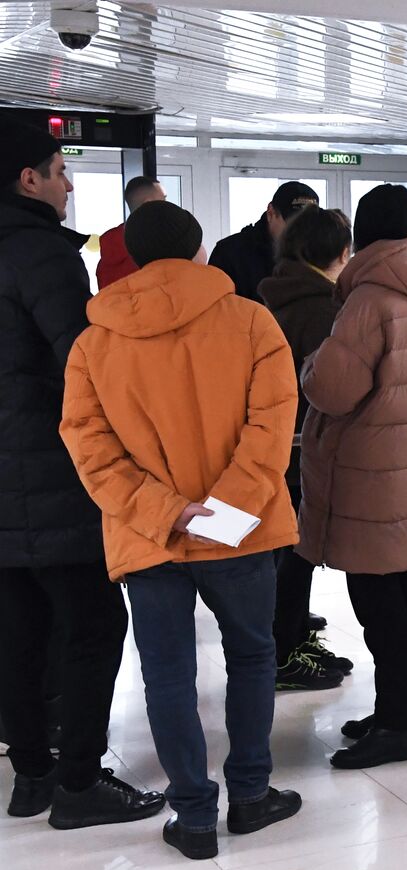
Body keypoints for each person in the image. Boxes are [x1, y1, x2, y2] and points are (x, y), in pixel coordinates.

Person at [60, 199, 304, 861]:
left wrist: (167, 511)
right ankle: (250, 797)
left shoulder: (93, 344)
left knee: (167, 677)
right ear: (199, 250)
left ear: (131, 258)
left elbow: (90, 448)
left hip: (149, 537)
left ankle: (195, 819)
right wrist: (223, 508)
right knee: (253, 657)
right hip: (241, 531)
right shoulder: (252, 323)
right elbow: (274, 425)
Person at [0, 118, 163, 829]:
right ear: (27, 180)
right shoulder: (40, 253)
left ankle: (31, 774)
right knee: (96, 621)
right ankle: (77, 784)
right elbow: (82, 363)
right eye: (60, 169)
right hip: (49, 473)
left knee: (19, 627)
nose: (68, 183)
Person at [296, 184, 407, 769]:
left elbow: (334, 387)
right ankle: (404, 711)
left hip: (368, 465)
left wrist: (311, 363)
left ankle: (392, 724)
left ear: (363, 232)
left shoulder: (369, 297)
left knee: (375, 596)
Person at [259, 206, 355, 691]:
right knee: (295, 556)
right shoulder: (321, 309)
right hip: (302, 448)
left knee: (288, 553)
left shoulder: (276, 295)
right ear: (340, 253)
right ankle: (282, 654)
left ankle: (291, 641)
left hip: (275, 446)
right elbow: (329, 387)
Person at [209, 181, 320, 303]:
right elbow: (217, 309)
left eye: (308, 224)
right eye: (292, 223)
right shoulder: (230, 253)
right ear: (271, 213)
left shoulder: (320, 254)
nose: (300, 231)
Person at [95, 176, 165, 289]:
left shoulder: (108, 256)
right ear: (149, 205)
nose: (168, 207)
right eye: (164, 200)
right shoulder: (152, 253)